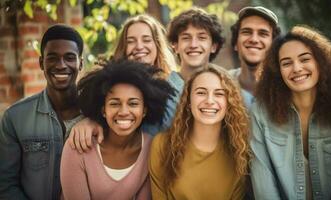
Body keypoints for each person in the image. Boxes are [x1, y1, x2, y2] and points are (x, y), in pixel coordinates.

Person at [250, 25, 331, 199]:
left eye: (305, 59)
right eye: (286, 63)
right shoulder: (260, 113)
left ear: (321, 62)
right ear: (278, 71)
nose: (297, 68)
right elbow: (264, 187)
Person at [68, 14, 183, 152]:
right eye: (131, 41)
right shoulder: (107, 84)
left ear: (157, 45)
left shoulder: (175, 87)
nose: (139, 46)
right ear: (124, 47)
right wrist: (89, 120)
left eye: (146, 40)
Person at [61, 60, 174, 199]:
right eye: (114, 103)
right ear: (103, 110)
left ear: (144, 110)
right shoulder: (78, 146)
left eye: (133, 103)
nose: (124, 111)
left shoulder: (151, 148)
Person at [0, 24, 84, 199]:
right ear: (41, 63)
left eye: (69, 57)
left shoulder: (97, 115)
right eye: (52, 58)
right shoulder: (15, 118)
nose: (61, 65)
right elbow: (5, 184)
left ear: (80, 63)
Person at [149, 65, 251, 199]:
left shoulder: (239, 153)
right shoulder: (162, 145)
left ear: (229, 103)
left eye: (219, 94)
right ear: (188, 100)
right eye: (201, 93)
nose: (209, 101)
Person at [229, 6, 281, 108]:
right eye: (247, 32)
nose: (254, 39)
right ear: (235, 43)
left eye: (263, 34)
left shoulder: (287, 88)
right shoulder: (220, 84)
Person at [167, 7, 225, 81]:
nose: (193, 45)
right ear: (175, 46)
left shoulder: (227, 89)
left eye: (202, 38)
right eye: (186, 38)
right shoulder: (159, 91)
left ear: (213, 46)